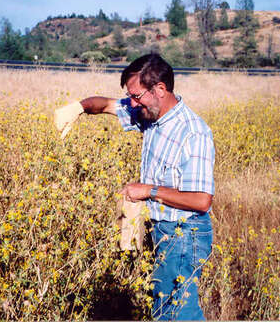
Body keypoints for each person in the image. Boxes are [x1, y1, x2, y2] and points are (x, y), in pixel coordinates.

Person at [54, 53, 215, 320]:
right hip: (165, 230)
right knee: (166, 308)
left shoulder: (192, 132)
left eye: (136, 95)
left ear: (160, 90)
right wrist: (79, 107)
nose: (131, 102)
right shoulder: (149, 113)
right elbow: (105, 105)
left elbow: (201, 201)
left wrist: (148, 190)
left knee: (177, 313)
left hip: (185, 234)